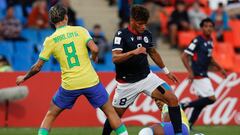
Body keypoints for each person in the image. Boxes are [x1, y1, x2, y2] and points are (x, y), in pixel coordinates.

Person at [16, 4, 128, 135]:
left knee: (50, 115)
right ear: (66, 17)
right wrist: (94, 56)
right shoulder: (80, 30)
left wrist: (24, 77)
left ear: (52, 21)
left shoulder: (50, 40)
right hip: (90, 80)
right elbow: (95, 49)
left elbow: (38, 67)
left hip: (70, 85)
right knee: (110, 112)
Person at [102, 5, 183, 135]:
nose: (143, 27)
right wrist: (134, 52)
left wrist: (167, 71)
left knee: (172, 99)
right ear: (132, 21)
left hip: (147, 78)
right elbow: (115, 58)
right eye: (140, 24)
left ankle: (178, 133)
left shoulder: (146, 34)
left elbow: (153, 52)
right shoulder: (121, 35)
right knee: (115, 116)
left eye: (145, 24)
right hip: (127, 84)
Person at [181, 18, 227, 130]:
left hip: (203, 72)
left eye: (210, 26)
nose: (208, 28)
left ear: (213, 28)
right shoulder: (197, 40)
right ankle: (184, 105)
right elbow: (184, 56)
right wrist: (190, 71)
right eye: (206, 26)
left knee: (202, 102)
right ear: (202, 28)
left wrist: (220, 68)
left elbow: (209, 58)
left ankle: (189, 125)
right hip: (197, 72)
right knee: (211, 98)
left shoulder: (210, 41)